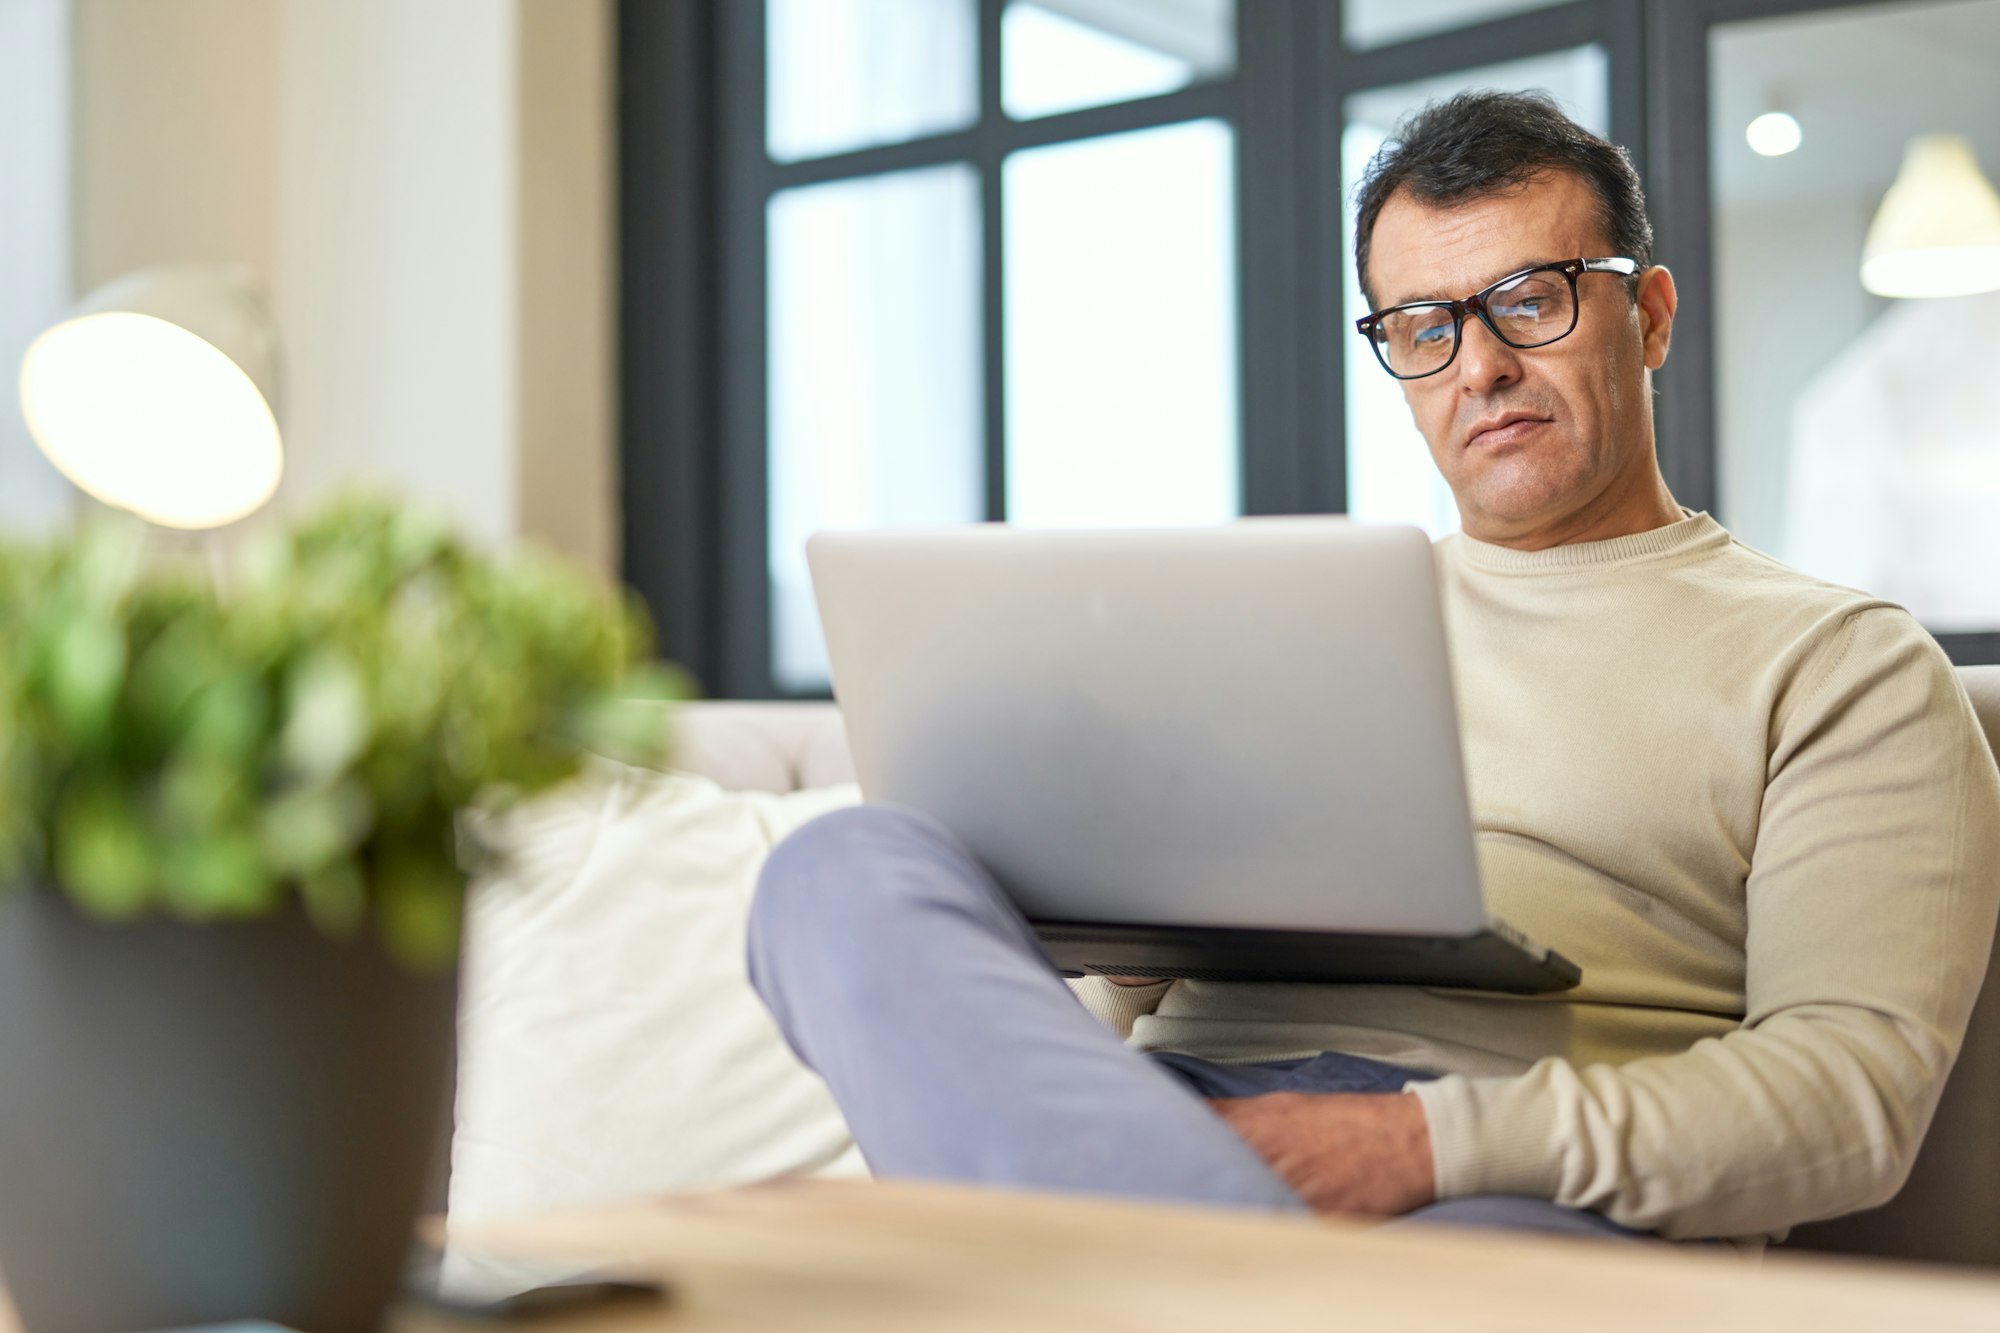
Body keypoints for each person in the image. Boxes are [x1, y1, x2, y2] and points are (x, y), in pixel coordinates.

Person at [745, 91, 2000, 1245]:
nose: (1479, 365)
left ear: (1651, 315)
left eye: (1529, 298)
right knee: (835, 869)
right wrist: (1127, 919)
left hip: (1500, 1181)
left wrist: (1413, 1143)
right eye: (1422, 324)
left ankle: (1091, 1258)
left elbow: (1848, 1099)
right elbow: (1113, 1024)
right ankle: (1154, 1241)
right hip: (1178, 1118)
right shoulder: (1274, 624)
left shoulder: (1840, 664)